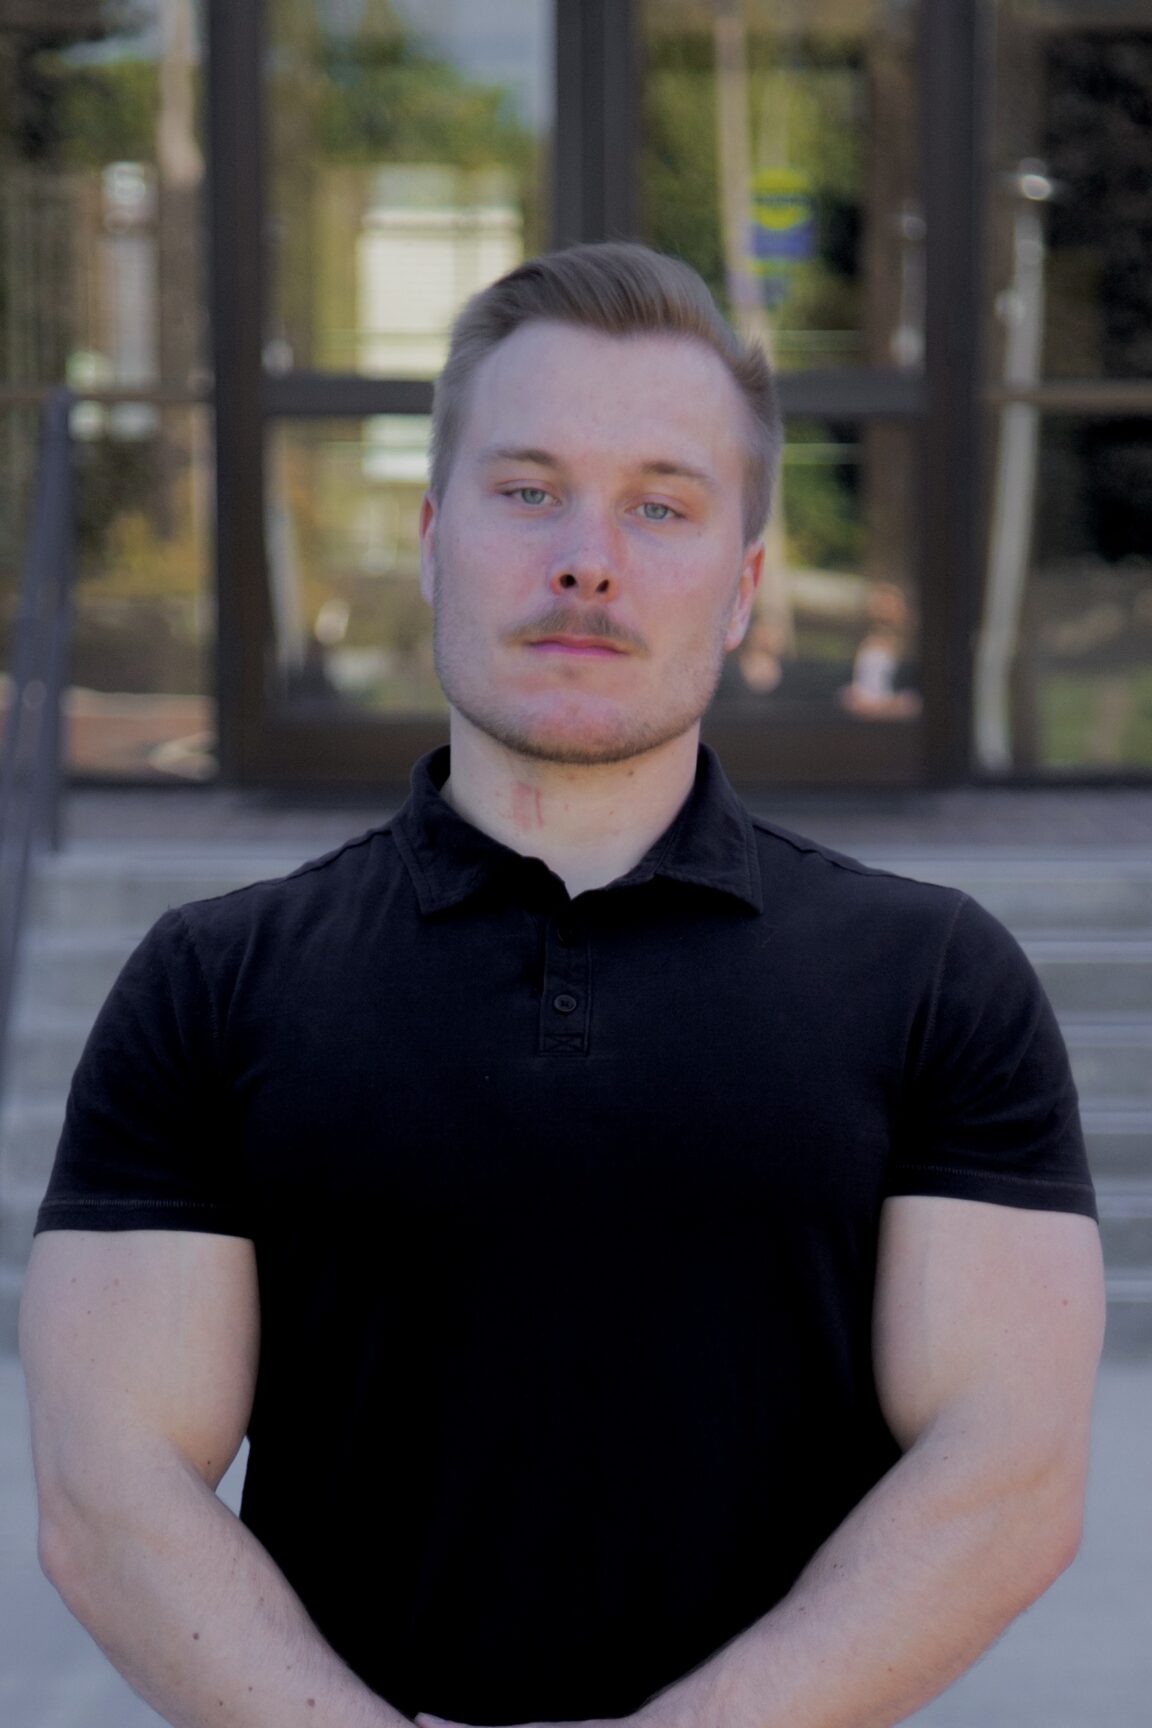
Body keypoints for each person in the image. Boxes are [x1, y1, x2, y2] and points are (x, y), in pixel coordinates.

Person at [20, 242, 1104, 1728]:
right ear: (429, 538)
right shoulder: (213, 984)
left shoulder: (935, 981)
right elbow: (107, 1485)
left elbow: (1014, 1471)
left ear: (741, 589)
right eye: (528, 491)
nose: (586, 556)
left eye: (660, 505)